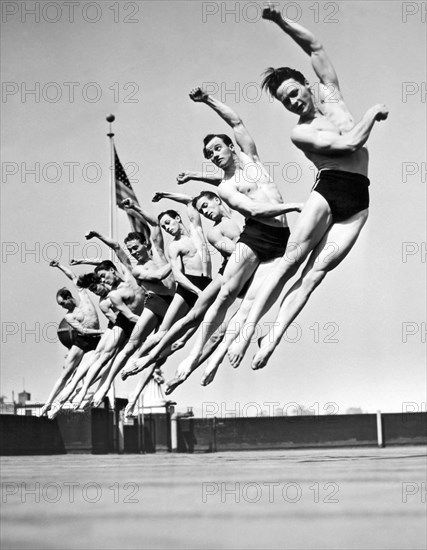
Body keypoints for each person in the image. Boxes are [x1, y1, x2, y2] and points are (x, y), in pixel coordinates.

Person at [226, 6, 389, 369]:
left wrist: (281, 22)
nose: (293, 101)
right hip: (329, 190)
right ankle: (249, 326)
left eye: (294, 92)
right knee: (289, 263)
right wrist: (372, 113)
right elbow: (349, 145)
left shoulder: (330, 94)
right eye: (285, 101)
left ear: (304, 84)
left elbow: (315, 48)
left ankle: (272, 340)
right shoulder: (300, 132)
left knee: (313, 276)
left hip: (359, 200)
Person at [172, 87, 302, 378]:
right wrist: (296, 206)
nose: (214, 155)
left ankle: (217, 359)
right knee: (226, 295)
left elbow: (236, 123)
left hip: (281, 239)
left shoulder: (251, 160)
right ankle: (193, 355)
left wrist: (207, 100)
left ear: (231, 147)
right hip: (256, 237)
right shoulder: (225, 187)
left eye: (217, 148)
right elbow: (254, 211)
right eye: (208, 154)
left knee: (253, 305)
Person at [120, 189, 244, 398]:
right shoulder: (174, 247)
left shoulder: (196, 230)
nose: (167, 229)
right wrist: (196, 291)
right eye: (165, 226)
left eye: (169, 223)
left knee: (186, 340)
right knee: (163, 332)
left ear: (178, 218)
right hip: (188, 288)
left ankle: (182, 372)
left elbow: (190, 200)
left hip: (206, 283)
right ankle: (137, 359)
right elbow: (177, 276)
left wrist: (166, 195)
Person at [86, 205, 175, 407]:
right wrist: (98, 236)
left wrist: (135, 208)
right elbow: (118, 248)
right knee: (130, 346)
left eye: (136, 247)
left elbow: (154, 224)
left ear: (145, 244)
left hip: (174, 303)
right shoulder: (135, 269)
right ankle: (106, 385)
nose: (134, 252)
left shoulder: (159, 253)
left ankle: (136, 394)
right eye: (131, 250)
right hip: (155, 303)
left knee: (164, 352)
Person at [40, 261, 103, 416]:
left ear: (68, 298)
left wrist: (59, 265)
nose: (63, 307)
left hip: (95, 341)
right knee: (66, 373)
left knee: (97, 369)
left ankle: (70, 396)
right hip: (82, 341)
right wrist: (103, 331)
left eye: (63, 303)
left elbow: (72, 276)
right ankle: (48, 404)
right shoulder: (69, 316)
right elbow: (83, 330)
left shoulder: (82, 295)